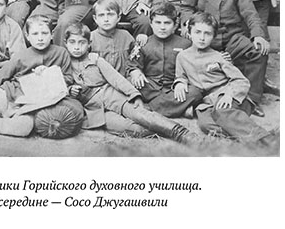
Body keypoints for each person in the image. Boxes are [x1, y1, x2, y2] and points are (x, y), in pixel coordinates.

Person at [64, 23, 195, 143]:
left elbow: (116, 78)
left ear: (89, 43)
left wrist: (134, 94)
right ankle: (164, 130)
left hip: (112, 96)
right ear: (65, 43)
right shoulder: (64, 63)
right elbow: (61, 87)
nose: (77, 47)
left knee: (141, 115)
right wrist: (70, 90)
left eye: (82, 42)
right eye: (72, 42)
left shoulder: (95, 59)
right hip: (94, 109)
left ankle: (181, 133)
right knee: (131, 129)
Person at [179, 0, 269, 115]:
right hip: (206, 38)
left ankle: (251, 99)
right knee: (181, 50)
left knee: (258, 51)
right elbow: (186, 7)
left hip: (231, 38)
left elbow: (251, 14)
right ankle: (195, 96)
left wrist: (258, 35)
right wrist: (187, 23)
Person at [174, 12, 277, 146]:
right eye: (197, 32)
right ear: (189, 32)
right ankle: (247, 138)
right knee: (206, 125)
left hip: (231, 97)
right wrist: (180, 83)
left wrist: (229, 95)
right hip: (207, 102)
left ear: (213, 36)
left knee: (222, 112)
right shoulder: (182, 56)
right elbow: (180, 76)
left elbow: (240, 80)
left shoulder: (218, 56)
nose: (202, 38)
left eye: (207, 34)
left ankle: (267, 140)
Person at [128, 3, 203, 116]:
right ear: (151, 23)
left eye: (167, 23)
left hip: (175, 87)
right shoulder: (144, 43)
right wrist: (135, 72)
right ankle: (179, 108)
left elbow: (194, 69)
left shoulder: (186, 44)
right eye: (158, 23)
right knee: (130, 82)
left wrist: (182, 82)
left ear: (175, 25)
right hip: (150, 87)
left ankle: (150, 107)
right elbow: (132, 64)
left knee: (196, 92)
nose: (162, 27)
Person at [90, 0, 137, 75]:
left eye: (110, 15)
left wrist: (134, 71)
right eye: (101, 15)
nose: (106, 19)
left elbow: (135, 58)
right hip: (99, 80)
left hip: (124, 79)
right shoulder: (91, 38)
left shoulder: (126, 36)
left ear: (118, 17)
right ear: (95, 18)